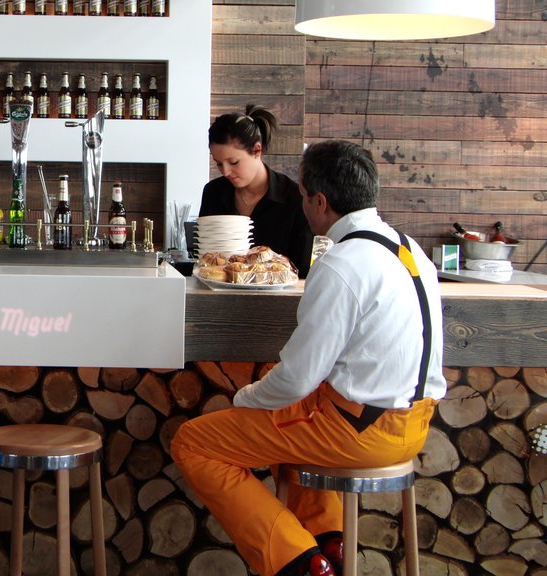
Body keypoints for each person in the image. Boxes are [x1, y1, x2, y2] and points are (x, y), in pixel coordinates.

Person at [172, 140, 446, 576]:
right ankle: (328, 543)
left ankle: (299, 563)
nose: (301, 206)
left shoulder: (342, 264)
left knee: (194, 442)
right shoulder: (409, 249)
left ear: (321, 201)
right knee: (292, 418)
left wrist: (245, 399)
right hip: (413, 424)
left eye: (302, 196)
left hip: (360, 429)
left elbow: (296, 378)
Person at [199, 104, 314, 276]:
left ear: (257, 150)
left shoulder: (294, 198)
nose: (226, 172)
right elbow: (205, 260)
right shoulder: (213, 193)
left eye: (234, 162)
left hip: (278, 300)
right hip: (218, 298)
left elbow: (303, 269)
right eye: (219, 163)